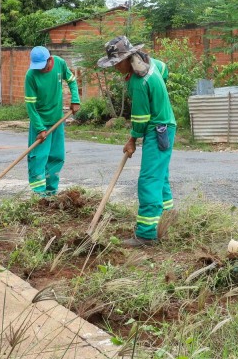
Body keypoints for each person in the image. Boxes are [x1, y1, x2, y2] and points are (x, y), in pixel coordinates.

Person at [97, 36, 176, 247]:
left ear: (127, 58)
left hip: (158, 130)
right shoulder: (150, 62)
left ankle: (146, 234)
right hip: (166, 125)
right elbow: (165, 69)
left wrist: (132, 141)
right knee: (160, 175)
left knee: (148, 180)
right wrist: (159, 98)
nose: (115, 68)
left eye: (117, 63)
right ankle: (167, 217)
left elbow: (140, 119)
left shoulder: (138, 82)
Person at [24, 46, 80, 197]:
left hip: (57, 121)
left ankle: (51, 193)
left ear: (50, 60)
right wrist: (40, 128)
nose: (41, 70)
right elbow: (31, 107)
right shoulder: (31, 76)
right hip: (40, 123)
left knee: (57, 156)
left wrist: (75, 99)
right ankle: (39, 195)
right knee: (38, 158)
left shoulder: (60, 63)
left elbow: (72, 81)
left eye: (43, 66)